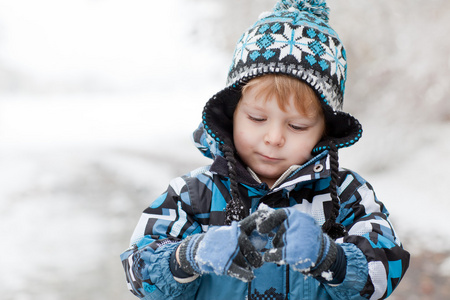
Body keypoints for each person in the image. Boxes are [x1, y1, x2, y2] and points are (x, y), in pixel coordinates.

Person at [120, 0, 410, 299]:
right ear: (232, 113)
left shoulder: (346, 195)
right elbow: (138, 273)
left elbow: (385, 272)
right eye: (257, 118)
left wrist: (331, 257)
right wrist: (188, 255)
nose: (274, 138)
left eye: (297, 126)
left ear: (324, 132)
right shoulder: (193, 195)